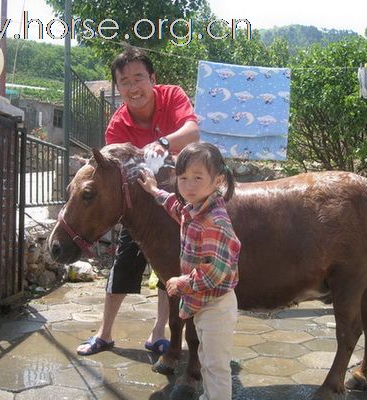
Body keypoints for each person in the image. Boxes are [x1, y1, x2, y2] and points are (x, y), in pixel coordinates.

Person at [76, 46, 199, 356]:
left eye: (139, 78)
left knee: (170, 268)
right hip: (139, 208)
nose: (133, 87)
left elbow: (192, 132)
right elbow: (111, 173)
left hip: (177, 200)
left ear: (152, 78)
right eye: (125, 82)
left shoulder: (171, 96)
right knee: (123, 265)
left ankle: (159, 332)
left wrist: (162, 143)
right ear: (118, 89)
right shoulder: (117, 126)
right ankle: (104, 334)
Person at [138, 142, 241, 400]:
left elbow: (216, 271)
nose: (189, 185)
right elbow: (176, 207)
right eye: (183, 178)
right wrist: (154, 191)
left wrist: (181, 283)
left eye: (198, 178)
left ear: (218, 180)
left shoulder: (214, 221)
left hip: (216, 305)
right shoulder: (194, 209)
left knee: (216, 367)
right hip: (204, 302)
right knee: (207, 359)